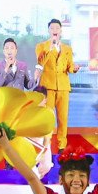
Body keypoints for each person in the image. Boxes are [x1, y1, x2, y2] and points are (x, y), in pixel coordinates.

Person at [36, 20, 78, 151]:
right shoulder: (41, 46)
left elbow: (70, 66)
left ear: (61, 30)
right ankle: (46, 145)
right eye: (52, 27)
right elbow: (40, 61)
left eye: (57, 28)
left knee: (63, 117)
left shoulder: (67, 48)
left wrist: (75, 68)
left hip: (63, 86)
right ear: (48, 30)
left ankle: (62, 146)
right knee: (48, 117)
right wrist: (50, 48)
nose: (54, 29)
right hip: (47, 86)